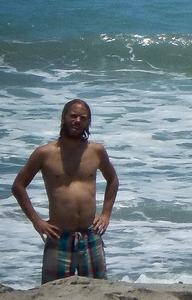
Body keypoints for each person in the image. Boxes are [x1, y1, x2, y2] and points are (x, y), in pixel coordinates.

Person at [12, 99, 119, 284]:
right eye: (73, 116)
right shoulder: (44, 153)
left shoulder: (96, 151)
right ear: (63, 118)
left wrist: (106, 214)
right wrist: (37, 221)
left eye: (83, 118)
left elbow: (113, 180)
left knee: (98, 289)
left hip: (90, 235)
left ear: (87, 123)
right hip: (58, 235)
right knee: (53, 292)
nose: (77, 120)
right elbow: (18, 186)